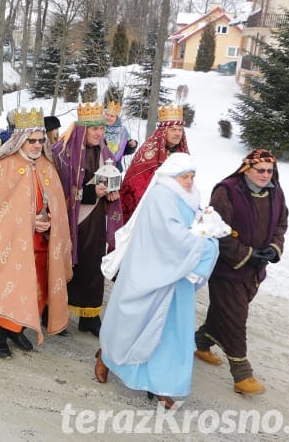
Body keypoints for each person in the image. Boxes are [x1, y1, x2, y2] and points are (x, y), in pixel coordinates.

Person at [96, 153, 220, 410]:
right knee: (135, 323)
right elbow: (170, 237)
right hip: (152, 269)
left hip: (176, 277)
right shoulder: (161, 196)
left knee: (171, 333)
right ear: (171, 176)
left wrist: (208, 226)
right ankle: (106, 358)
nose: (189, 181)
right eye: (184, 176)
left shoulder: (190, 194)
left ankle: (163, 385)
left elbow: (193, 223)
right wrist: (205, 245)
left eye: (192, 176)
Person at [0, 108, 72, 359]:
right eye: (32, 141)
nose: (38, 146)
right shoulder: (1, 166)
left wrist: (50, 220)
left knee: (35, 287)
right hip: (5, 243)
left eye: (41, 141)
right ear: (19, 139)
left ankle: (16, 327)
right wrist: (27, 223)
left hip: (40, 244)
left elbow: (57, 204)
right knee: (1, 286)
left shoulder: (47, 167)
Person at [194, 149, 288, 396]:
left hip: (255, 271)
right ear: (247, 168)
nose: (265, 175)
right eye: (261, 170)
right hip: (227, 269)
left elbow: (281, 224)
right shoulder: (227, 191)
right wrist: (245, 253)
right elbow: (216, 229)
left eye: (270, 171)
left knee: (225, 311)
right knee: (236, 316)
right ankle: (242, 374)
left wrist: (273, 248)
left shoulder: (276, 192)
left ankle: (201, 342)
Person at [52, 102, 123, 336]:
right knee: (65, 267)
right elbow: (58, 191)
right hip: (71, 221)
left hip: (95, 223)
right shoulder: (63, 153)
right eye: (94, 129)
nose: (99, 133)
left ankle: (89, 316)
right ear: (83, 129)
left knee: (93, 266)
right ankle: (54, 313)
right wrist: (92, 192)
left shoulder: (106, 153)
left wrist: (111, 194)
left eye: (101, 129)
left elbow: (112, 180)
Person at [119, 104, 188, 223]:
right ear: (163, 131)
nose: (177, 133)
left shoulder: (183, 155)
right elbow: (136, 186)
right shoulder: (148, 152)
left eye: (180, 130)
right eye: (173, 130)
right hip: (149, 210)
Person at [103, 101, 137, 171]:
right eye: (107, 114)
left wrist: (132, 145)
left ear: (117, 118)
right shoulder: (99, 128)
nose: (108, 117)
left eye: (112, 116)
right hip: (98, 166)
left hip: (115, 168)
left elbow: (125, 151)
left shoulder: (123, 131)